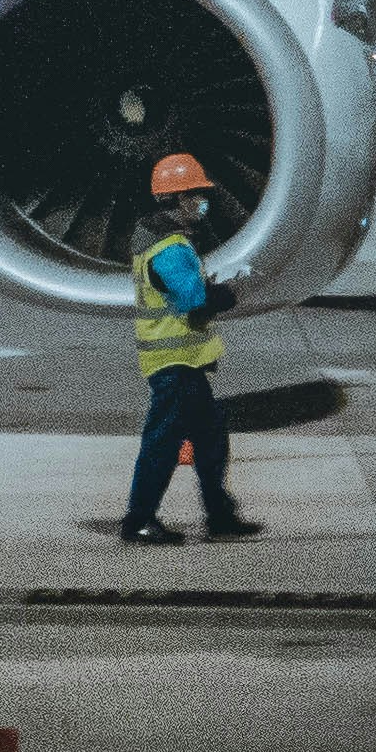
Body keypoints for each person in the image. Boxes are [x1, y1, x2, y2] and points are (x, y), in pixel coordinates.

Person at [119, 155, 263, 547]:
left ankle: (219, 514)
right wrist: (230, 292)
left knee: (211, 437)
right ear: (177, 200)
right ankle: (139, 520)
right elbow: (193, 301)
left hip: (185, 364)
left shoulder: (170, 244)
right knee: (162, 443)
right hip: (173, 365)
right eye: (197, 194)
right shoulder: (168, 249)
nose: (203, 201)